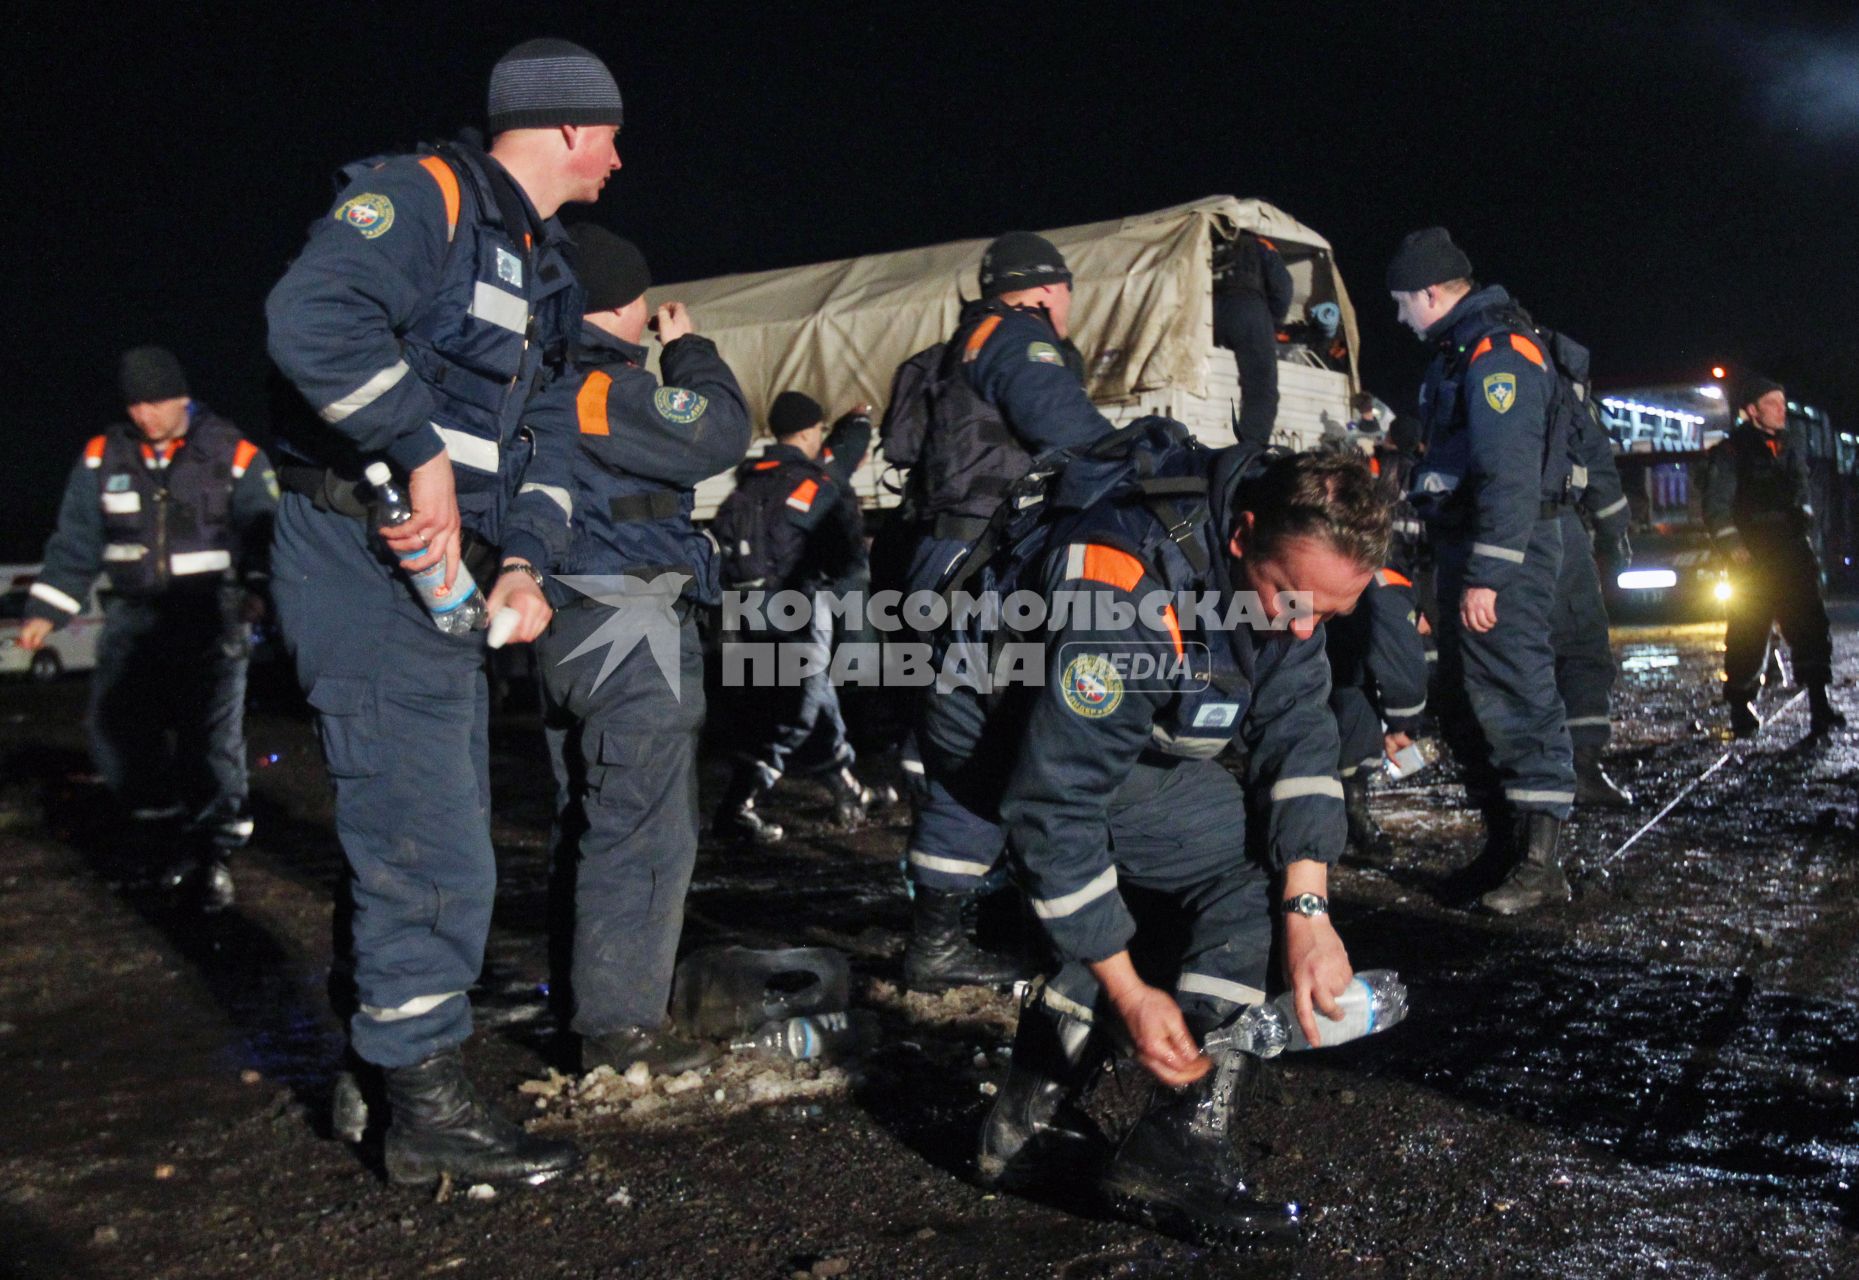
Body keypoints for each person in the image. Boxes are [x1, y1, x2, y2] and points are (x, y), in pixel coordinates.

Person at [264, 37, 624, 1186]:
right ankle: (425, 1111)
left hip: (452, 578)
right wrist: (413, 448)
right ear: (567, 126)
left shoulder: (545, 265)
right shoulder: (420, 198)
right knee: (432, 848)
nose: (620, 157)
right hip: (361, 553)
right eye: (610, 132)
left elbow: (550, 434)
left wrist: (526, 560)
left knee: (413, 822)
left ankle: (378, 1084)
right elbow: (311, 318)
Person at [968, 442, 1383, 1240]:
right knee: (1223, 878)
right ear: (1242, 537)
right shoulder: (1121, 591)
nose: (1303, 627)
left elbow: (1296, 733)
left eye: (1328, 615)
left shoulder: (1291, 579)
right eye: (1290, 600)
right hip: (1007, 734)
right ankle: (1172, 1143)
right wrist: (1128, 989)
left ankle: (1028, 1124)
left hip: (1100, 744)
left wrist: (1311, 910)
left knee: (1256, 872)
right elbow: (1054, 805)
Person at [528, 227, 750, 1074]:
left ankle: (584, 1011)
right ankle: (619, 1034)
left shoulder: (537, 380)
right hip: (628, 615)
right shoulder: (599, 389)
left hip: (569, 617)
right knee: (643, 829)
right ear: (623, 304)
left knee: (587, 820)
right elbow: (720, 432)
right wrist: (688, 349)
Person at [891, 232, 1116, 992]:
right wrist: (1147, 460)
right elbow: (1071, 429)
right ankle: (1040, 922)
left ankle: (947, 930)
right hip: (986, 569)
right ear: (1049, 290)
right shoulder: (1021, 338)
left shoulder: (958, 344)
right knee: (1019, 735)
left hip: (941, 559)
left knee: (967, 743)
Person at [19, 346, 275, 910]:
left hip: (210, 615)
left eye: (156, 402)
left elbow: (265, 531)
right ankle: (159, 836)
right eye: (135, 404)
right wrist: (47, 611)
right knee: (116, 730)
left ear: (182, 397)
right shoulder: (101, 456)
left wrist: (257, 591)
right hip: (134, 618)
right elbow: (76, 541)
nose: (145, 415)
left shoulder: (233, 453)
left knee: (210, 742)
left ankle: (213, 853)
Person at [1390, 227, 1576, 917]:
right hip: (1465, 545)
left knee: (1515, 692)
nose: (1399, 316)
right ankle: (1504, 850)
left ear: (1432, 293)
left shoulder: (1498, 353)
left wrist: (1489, 576)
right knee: (1469, 699)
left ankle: (1540, 866)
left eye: (1402, 301)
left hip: (1502, 551)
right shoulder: (1460, 351)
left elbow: (1509, 475)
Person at [713, 392, 878, 843]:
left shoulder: (748, 484)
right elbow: (841, 555)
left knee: (817, 702)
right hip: (797, 610)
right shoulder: (812, 484)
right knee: (794, 711)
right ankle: (738, 805)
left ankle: (849, 792)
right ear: (808, 432)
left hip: (747, 612)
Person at [1705, 375, 1843, 738]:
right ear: (1751, 411)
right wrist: (1735, 548)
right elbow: (1717, 508)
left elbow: (1805, 495)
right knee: (1749, 631)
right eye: (1773, 404)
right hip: (1753, 559)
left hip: (1793, 553)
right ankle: (1740, 704)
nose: (1782, 410)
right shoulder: (1731, 453)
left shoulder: (1790, 447)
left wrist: (1805, 524)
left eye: (1783, 403)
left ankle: (1819, 703)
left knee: (1811, 626)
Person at [1555, 386, 1635, 805]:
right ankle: (1582, 768)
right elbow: (1597, 463)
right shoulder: (1554, 383)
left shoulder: (1461, 372)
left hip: (1487, 538)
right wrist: (1615, 534)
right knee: (1584, 649)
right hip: (1555, 528)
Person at [1213, 229, 1294, 447]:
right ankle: (1251, 449)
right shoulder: (1261, 244)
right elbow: (1282, 286)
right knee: (1261, 384)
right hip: (1247, 306)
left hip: (1207, 309)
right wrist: (1273, 323)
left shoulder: (1208, 241)